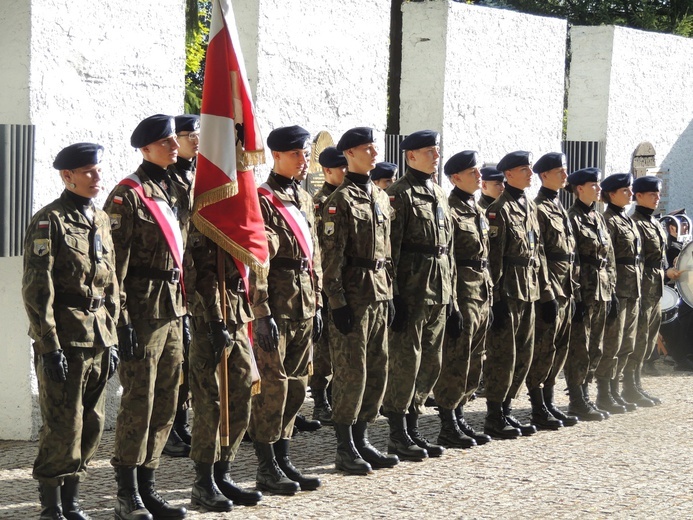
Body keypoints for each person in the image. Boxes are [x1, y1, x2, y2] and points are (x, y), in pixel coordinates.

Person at [22, 143, 120, 520]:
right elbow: (36, 288)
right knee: (63, 425)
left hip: (98, 337)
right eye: (89, 172)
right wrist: (48, 346)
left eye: (98, 170)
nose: (97, 178)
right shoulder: (51, 221)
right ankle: (51, 506)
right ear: (68, 176)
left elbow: (110, 284)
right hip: (65, 338)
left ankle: (73, 500)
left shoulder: (99, 218)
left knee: (92, 424)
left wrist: (111, 335)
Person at [104, 114, 190, 520]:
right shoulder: (128, 195)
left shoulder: (174, 188)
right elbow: (113, 267)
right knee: (139, 400)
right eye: (167, 142)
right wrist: (120, 321)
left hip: (173, 307)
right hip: (140, 311)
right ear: (146, 148)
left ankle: (149, 484)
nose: (175, 146)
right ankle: (126, 493)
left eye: (175, 140)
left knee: (167, 400)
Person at [320, 127, 399, 475]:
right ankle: (344, 445)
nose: (373, 151)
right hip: (353, 296)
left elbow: (388, 252)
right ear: (349, 154)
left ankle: (363, 436)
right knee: (351, 372)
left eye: (373, 147)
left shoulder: (380, 198)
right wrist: (336, 303)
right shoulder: (340, 201)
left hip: (380, 293)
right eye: (367, 148)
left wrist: (391, 292)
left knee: (377, 370)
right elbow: (331, 258)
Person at [250, 125, 322, 495]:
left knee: (297, 388)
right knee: (273, 390)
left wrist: (319, 300)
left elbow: (314, 254)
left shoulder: (304, 198)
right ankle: (266, 467)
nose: (303, 159)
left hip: (304, 303)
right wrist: (260, 312)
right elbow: (257, 261)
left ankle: (284, 456)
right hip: (276, 308)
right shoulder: (261, 199)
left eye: (305, 152)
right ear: (276, 156)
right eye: (296, 153)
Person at [382, 130, 455, 461]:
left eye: (436, 150)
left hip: (438, 290)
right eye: (429, 151)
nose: (436, 156)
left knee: (430, 361)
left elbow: (447, 249)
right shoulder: (400, 194)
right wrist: (394, 295)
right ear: (410, 156)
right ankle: (398, 433)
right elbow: (390, 250)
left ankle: (413, 425)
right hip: (411, 292)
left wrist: (451, 294)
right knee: (405, 362)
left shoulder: (439, 193)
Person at [186, 227, 263, 511]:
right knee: (211, 402)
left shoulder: (236, 216)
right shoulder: (206, 217)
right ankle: (203, 481)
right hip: (210, 319)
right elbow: (201, 274)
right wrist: (215, 319)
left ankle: (224, 472)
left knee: (241, 395)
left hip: (238, 313)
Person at [484, 151, 556, 439]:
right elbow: (494, 259)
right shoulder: (499, 210)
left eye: (529, 168)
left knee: (523, 355)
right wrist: (497, 299)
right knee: (503, 355)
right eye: (524, 169)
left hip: (530, 289)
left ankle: (507, 409)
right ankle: (494, 414)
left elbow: (537, 254)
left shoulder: (527, 206)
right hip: (509, 290)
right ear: (509, 174)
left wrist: (546, 292)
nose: (529, 173)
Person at [433, 150, 493, 448]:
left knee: (474, 361)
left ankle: (460, 415)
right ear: (456, 178)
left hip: (481, 291)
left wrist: (490, 294)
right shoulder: (450, 209)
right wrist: (453, 304)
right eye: (473, 173)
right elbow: (450, 260)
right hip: (462, 292)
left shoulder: (476, 208)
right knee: (457, 358)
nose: (479, 177)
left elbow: (485, 257)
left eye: (479, 171)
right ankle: (447, 421)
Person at [526, 153, 579, 430]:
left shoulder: (559, 206)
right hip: (551, 289)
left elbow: (570, 253)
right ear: (544, 175)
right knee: (544, 348)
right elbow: (541, 255)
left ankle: (549, 401)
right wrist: (547, 292)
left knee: (559, 349)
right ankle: (537, 406)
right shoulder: (539, 209)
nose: (565, 175)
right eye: (560, 171)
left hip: (566, 287)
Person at [564, 168, 615, 421]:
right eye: (593, 185)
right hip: (584, 291)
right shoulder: (572, 218)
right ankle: (576, 399)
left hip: (602, 290)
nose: (598, 189)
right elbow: (571, 261)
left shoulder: (598, 217)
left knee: (595, 346)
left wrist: (612, 290)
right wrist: (575, 296)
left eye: (598, 185)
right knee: (580, 348)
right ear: (579, 189)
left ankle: (586, 393)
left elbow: (610, 258)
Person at [625, 176, 681, 405]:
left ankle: (636, 384)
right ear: (638, 196)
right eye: (652, 194)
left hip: (654, 288)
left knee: (646, 341)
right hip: (639, 288)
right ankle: (628, 387)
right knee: (635, 339)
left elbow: (659, 260)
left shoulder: (655, 223)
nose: (657, 198)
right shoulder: (633, 223)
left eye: (658, 194)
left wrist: (669, 271)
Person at [163, 113, 200, 458]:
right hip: (172, 281)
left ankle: (182, 424)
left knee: (188, 359)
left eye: (197, 133)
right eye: (188, 134)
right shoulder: (168, 181)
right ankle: (171, 427)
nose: (195, 139)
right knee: (176, 361)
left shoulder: (200, 176)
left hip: (194, 280)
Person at [309, 146, 348, 426]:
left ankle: (337, 395)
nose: (346, 172)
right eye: (341, 168)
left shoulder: (347, 198)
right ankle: (320, 400)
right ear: (328, 171)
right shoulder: (320, 202)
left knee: (342, 347)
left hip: (347, 282)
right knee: (323, 348)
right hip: (324, 283)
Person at [597, 173, 641, 415]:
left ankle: (616, 388)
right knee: (612, 343)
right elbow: (608, 260)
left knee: (628, 342)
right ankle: (604, 392)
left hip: (632, 288)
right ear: (612, 194)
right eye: (625, 190)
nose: (630, 193)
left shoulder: (627, 219)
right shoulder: (608, 220)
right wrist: (611, 289)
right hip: (617, 289)